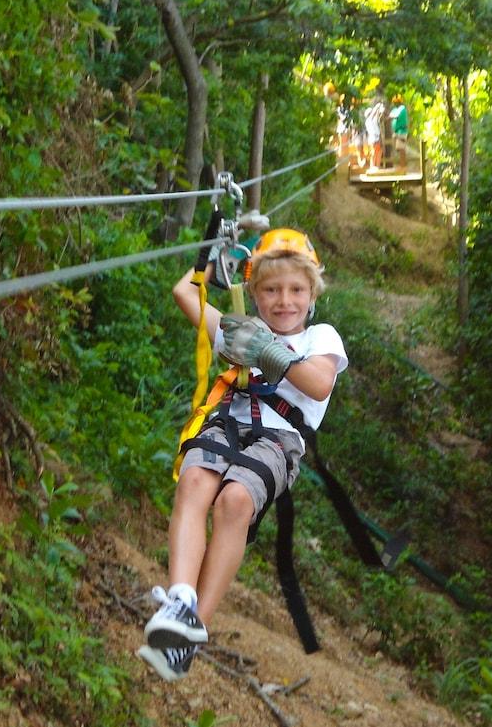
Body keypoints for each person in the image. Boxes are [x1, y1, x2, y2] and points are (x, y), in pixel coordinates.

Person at [138, 228, 348, 682]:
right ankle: (181, 599)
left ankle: (194, 627)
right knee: (195, 482)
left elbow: (319, 383)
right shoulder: (240, 329)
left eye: (296, 289)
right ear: (253, 292)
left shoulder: (320, 337)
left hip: (281, 438)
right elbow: (183, 293)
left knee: (234, 501)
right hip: (231, 420)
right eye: (271, 289)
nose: (284, 300)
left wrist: (268, 351)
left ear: (312, 294)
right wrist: (214, 255)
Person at [364, 94, 386, 172]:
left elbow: (375, 115)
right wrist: (378, 105)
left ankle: (375, 166)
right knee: (376, 152)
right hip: (374, 137)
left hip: (372, 138)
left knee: (377, 151)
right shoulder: (370, 120)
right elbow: (374, 113)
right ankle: (374, 166)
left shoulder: (368, 121)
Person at [389, 94, 409, 172]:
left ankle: (403, 167)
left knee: (401, 149)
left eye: (396, 102)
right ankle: (401, 165)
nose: (394, 103)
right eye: (394, 102)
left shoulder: (402, 108)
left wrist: (390, 116)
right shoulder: (395, 109)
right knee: (399, 149)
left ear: (399, 102)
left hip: (402, 131)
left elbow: (395, 116)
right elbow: (390, 115)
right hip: (397, 132)